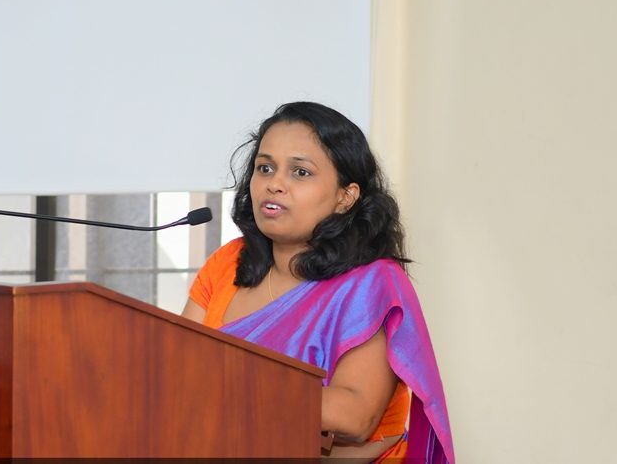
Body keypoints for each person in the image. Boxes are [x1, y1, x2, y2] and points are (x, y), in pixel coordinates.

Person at [181, 102, 454, 463]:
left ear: (346, 196)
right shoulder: (228, 262)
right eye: (265, 168)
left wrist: (223, 388)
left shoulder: (370, 283)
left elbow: (352, 415)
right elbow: (176, 369)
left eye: (300, 172)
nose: (274, 184)